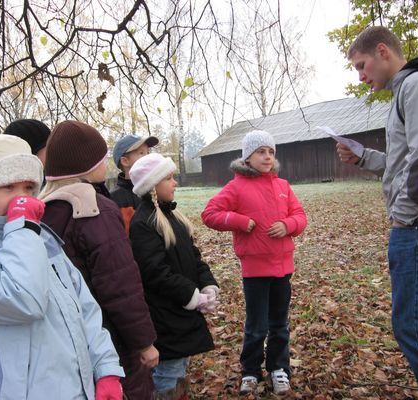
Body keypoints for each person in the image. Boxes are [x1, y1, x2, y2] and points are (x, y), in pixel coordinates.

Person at [0, 134, 124, 400]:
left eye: (28, 188)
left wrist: (106, 370)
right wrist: (21, 226)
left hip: (79, 388)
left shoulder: (38, 237)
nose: (21, 198)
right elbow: (25, 300)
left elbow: (84, 308)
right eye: (8, 187)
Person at [337, 26, 418, 400]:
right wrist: (364, 157)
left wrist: (403, 216)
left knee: (415, 329)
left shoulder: (417, 85)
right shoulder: (411, 88)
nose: (360, 75)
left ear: (382, 51)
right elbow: (406, 161)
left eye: (361, 65)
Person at [39, 120, 159, 400]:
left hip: (65, 340)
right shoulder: (95, 210)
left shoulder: (41, 211)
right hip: (110, 339)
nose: (105, 161)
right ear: (87, 164)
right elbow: (119, 284)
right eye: (101, 156)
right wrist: (143, 342)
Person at [201, 130, 307, 396]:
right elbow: (209, 214)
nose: (267, 156)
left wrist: (288, 225)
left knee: (279, 325)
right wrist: (238, 221)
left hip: (283, 268)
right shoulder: (236, 187)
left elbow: (300, 216)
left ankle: (278, 368)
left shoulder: (282, 186)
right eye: (261, 151)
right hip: (255, 270)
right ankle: (250, 371)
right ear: (247, 157)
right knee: (257, 326)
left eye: (271, 152)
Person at [129, 153, 219, 400]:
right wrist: (192, 296)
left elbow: (194, 257)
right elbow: (155, 273)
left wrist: (208, 285)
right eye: (168, 178)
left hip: (182, 315)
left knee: (180, 371)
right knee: (167, 376)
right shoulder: (144, 223)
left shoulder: (173, 217)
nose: (175, 182)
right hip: (165, 319)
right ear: (153, 186)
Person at [110, 134, 159, 235]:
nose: (148, 158)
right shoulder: (114, 199)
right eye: (141, 153)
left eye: (148, 153)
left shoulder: (156, 189)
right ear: (125, 161)